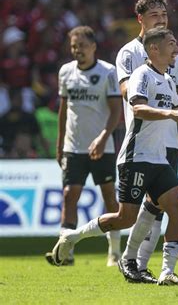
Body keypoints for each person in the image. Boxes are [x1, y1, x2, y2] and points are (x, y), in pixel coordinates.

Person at [50, 28, 178, 285]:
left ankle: (167, 272)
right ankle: (73, 237)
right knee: (125, 218)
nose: (177, 50)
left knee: (177, 209)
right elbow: (138, 108)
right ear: (154, 49)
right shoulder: (141, 75)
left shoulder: (168, 80)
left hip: (158, 159)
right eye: (172, 44)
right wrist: (170, 115)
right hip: (136, 158)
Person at [115, 0, 178, 283]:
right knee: (133, 212)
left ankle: (141, 266)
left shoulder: (171, 53)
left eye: (164, 15)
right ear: (140, 19)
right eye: (155, 15)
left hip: (168, 140)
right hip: (141, 139)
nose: (162, 19)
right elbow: (127, 93)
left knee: (159, 207)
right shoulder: (129, 54)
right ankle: (131, 260)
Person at [44, 26, 122, 267]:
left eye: (82, 46)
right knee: (69, 196)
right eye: (74, 46)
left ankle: (114, 250)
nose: (77, 50)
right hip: (73, 147)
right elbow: (63, 110)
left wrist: (102, 137)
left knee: (109, 197)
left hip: (102, 147)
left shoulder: (108, 72)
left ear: (93, 46)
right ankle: (64, 252)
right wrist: (59, 144)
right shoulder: (66, 72)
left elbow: (116, 111)